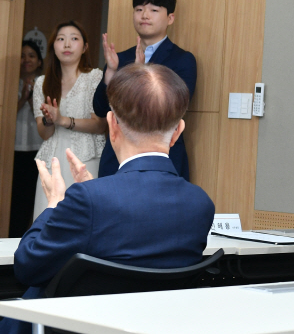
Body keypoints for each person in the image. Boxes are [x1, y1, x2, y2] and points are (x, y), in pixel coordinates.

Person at [1, 63, 215, 334]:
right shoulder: (200, 204)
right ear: (178, 131)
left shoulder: (91, 201)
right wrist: (91, 196)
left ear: (112, 124)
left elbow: (27, 267)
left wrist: (55, 204)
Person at [95, 0, 196, 180]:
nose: (144, 15)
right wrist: (112, 71)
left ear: (170, 18)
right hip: (118, 157)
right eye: (139, 9)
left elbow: (173, 108)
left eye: (154, 10)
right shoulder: (120, 58)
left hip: (163, 156)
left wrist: (138, 73)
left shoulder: (182, 59)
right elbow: (100, 109)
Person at [32, 21, 106, 220]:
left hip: (86, 159)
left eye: (74, 39)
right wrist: (49, 120)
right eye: (60, 39)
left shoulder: (95, 77)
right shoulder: (42, 82)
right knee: (48, 217)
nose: (67, 44)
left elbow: (100, 125)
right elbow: (44, 133)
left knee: (81, 218)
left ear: (85, 47)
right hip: (52, 159)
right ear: (53, 46)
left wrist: (63, 120)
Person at [10, 41, 44, 237]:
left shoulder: (44, 83)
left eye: (31, 55)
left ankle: (25, 236)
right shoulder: (10, 81)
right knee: (13, 198)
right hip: (13, 148)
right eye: (22, 55)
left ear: (39, 61)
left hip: (36, 149)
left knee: (30, 199)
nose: (26, 60)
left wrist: (32, 101)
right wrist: (22, 97)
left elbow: (45, 120)